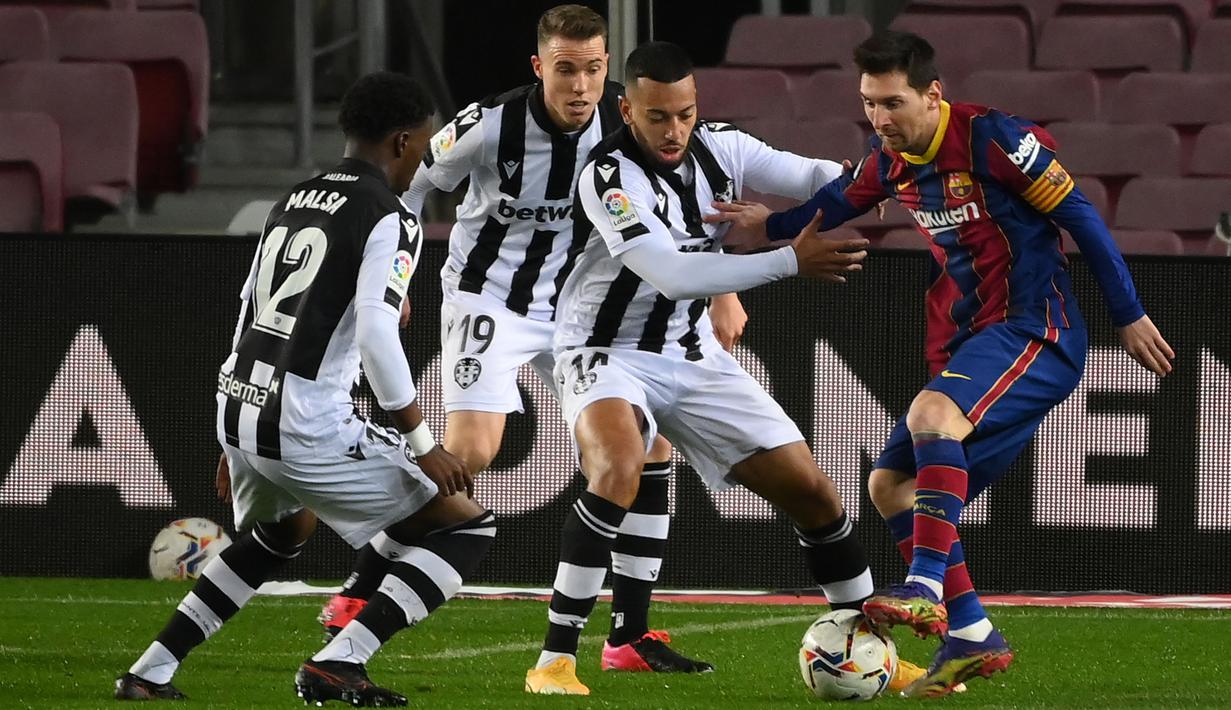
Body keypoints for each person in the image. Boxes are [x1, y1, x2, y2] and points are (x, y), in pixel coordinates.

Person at [706, 31, 1175, 698]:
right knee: (888, 486)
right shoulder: (889, 160)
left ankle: (923, 587)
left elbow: (1082, 220)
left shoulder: (994, 140)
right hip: (972, 341)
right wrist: (769, 227)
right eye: (868, 104)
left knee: (931, 415)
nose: (878, 119)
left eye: (891, 103)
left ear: (932, 95)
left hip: (1033, 330)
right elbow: (832, 205)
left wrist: (1126, 314)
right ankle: (973, 634)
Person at [316, 4, 744, 675]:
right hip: (491, 301)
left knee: (649, 443)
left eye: (594, 70)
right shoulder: (487, 128)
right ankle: (364, 581)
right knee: (470, 454)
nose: (581, 85)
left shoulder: (628, 128)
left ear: (611, 73)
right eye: (566, 69)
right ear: (540, 67)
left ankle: (628, 635)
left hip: (580, 313)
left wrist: (721, 286)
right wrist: (388, 280)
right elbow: (405, 187)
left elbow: (686, 209)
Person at [115, 72, 496, 707]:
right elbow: (378, 337)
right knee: (465, 526)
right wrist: (422, 440)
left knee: (282, 533)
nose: (425, 161)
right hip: (304, 421)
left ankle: (148, 672)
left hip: (242, 402)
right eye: (424, 147)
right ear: (404, 140)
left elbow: (251, 308)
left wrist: (237, 437)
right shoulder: (389, 215)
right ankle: (340, 660)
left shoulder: (295, 196)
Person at [523, 40, 886, 696]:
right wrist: (785, 256)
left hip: (690, 355)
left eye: (685, 114)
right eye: (658, 117)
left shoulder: (723, 147)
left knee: (813, 493)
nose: (674, 131)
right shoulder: (607, 177)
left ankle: (868, 644)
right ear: (626, 110)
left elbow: (818, 178)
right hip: (602, 352)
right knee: (617, 465)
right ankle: (554, 660)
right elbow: (670, 272)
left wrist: (863, 184)